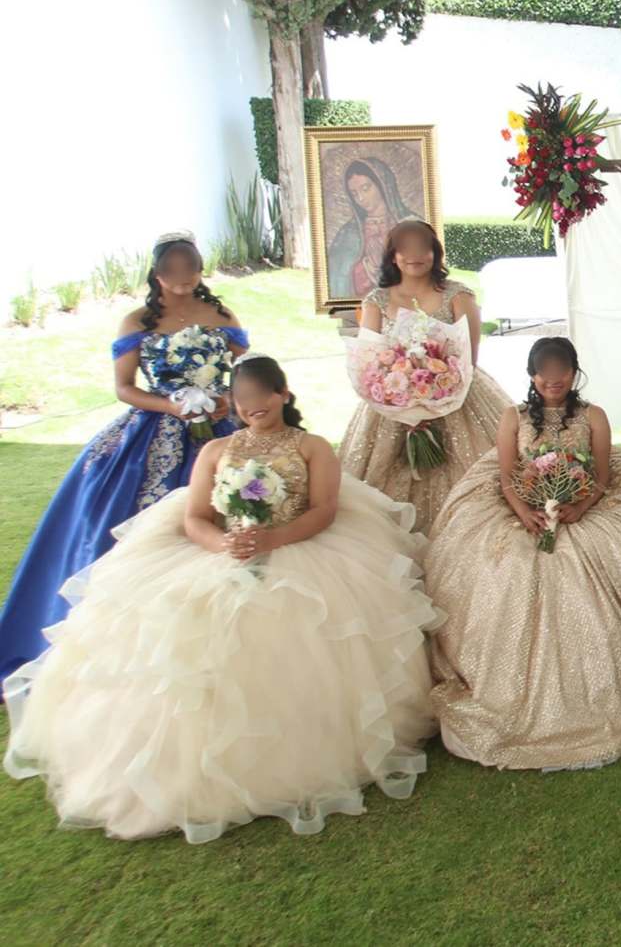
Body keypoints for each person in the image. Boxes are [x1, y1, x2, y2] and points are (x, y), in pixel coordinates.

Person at [3, 357, 442, 843]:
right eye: (243, 400)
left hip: (299, 545)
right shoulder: (216, 450)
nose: (253, 407)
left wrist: (273, 540)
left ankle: (293, 758)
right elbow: (194, 517)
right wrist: (224, 545)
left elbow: (324, 510)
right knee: (177, 638)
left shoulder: (312, 447)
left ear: (283, 395)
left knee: (292, 635)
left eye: (262, 396)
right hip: (223, 551)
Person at [423, 338, 621, 770]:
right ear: (532, 376)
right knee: (507, 568)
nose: (552, 381)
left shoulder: (593, 415)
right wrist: (524, 510)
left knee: (620, 558)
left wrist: (581, 505)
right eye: (544, 374)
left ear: (574, 373)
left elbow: (603, 472)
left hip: (584, 500)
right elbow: (506, 475)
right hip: (525, 504)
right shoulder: (513, 416)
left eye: (561, 373)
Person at [0, 232, 246, 680]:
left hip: (218, 425)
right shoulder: (135, 322)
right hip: (156, 426)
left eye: (190, 272)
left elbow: (246, 373)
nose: (183, 281)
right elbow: (124, 388)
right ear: (157, 275)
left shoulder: (221, 315)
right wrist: (172, 405)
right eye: (173, 274)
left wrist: (227, 400)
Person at [338, 220, 513, 534]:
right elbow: (369, 361)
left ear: (435, 252)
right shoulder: (377, 301)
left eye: (423, 248)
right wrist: (403, 401)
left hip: (456, 395)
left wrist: (434, 396)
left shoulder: (458, 296)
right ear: (393, 255)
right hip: (391, 404)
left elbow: (469, 358)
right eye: (404, 249)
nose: (414, 256)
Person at [328, 158, 422, 301]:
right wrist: (367, 267)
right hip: (365, 304)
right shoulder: (349, 233)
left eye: (366, 188)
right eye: (354, 194)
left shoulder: (412, 224)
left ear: (382, 185)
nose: (361, 198)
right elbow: (337, 275)